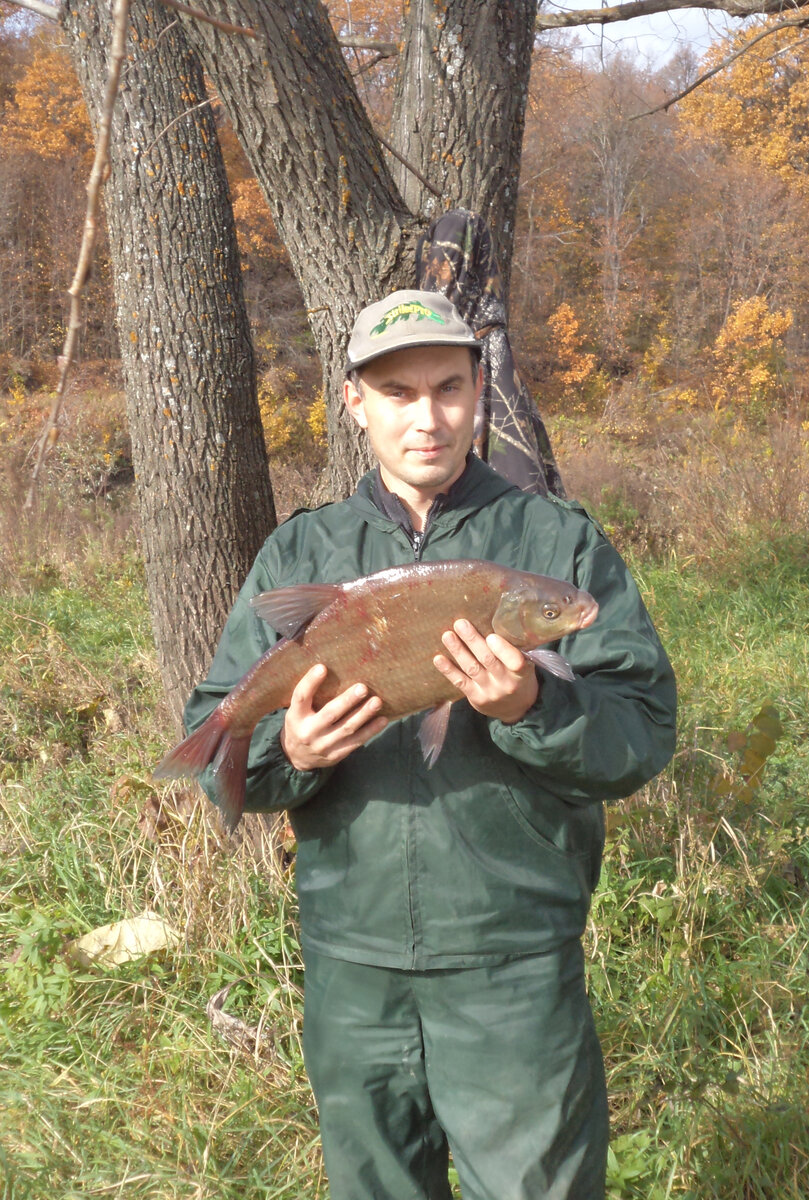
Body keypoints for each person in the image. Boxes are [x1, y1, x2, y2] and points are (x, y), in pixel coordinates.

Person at [184, 288, 677, 1200]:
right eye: (399, 393)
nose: (428, 418)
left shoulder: (554, 543)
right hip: (352, 966)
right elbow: (220, 752)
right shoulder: (302, 554)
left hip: (511, 962)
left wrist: (534, 706)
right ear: (353, 402)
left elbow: (641, 735)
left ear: (480, 389)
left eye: (449, 387)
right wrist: (288, 753)